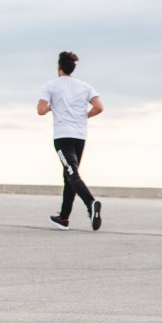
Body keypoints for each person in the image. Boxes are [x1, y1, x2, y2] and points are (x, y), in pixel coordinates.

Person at [38, 51, 104, 231]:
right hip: (80, 136)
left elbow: (40, 110)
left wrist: (52, 107)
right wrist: (84, 117)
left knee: (72, 174)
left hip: (62, 136)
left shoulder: (51, 85)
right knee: (69, 175)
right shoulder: (85, 86)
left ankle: (91, 203)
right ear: (73, 68)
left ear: (59, 67)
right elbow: (99, 107)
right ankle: (64, 218)